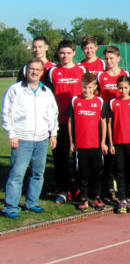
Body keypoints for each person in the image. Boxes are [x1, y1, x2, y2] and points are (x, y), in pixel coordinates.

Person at [2, 59, 58, 219]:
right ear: (26, 71)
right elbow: (6, 112)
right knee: (17, 174)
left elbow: (52, 114)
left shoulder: (46, 92)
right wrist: (12, 134)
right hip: (22, 139)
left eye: (38, 70)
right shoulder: (15, 90)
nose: (34, 72)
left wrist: (53, 133)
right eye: (32, 69)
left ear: (42, 72)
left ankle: (32, 203)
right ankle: (11, 207)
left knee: (38, 173)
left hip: (41, 139)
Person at [49, 40, 87, 203]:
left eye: (68, 53)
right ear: (58, 54)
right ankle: (63, 190)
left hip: (80, 122)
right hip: (59, 122)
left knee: (80, 157)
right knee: (60, 158)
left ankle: (80, 188)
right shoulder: (52, 72)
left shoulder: (82, 70)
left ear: (74, 53)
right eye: (62, 53)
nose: (65, 56)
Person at [67, 73, 108, 211]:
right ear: (81, 86)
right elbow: (70, 122)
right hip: (80, 144)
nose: (87, 90)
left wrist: (103, 142)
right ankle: (83, 197)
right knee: (82, 173)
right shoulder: (75, 101)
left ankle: (96, 196)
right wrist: (72, 142)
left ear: (95, 87)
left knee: (97, 172)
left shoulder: (100, 102)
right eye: (84, 87)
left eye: (90, 87)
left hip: (96, 144)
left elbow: (103, 123)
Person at [107, 75, 130, 213]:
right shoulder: (112, 103)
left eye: (126, 88)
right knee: (120, 172)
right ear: (117, 88)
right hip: (117, 144)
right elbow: (109, 124)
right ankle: (122, 199)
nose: (123, 90)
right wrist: (110, 143)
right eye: (120, 88)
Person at [98, 45, 129, 200]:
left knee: (121, 156)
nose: (109, 61)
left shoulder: (125, 74)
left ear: (118, 59)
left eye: (111, 58)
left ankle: (125, 187)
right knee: (108, 155)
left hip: (122, 119)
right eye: (106, 58)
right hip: (106, 117)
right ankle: (109, 187)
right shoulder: (101, 76)